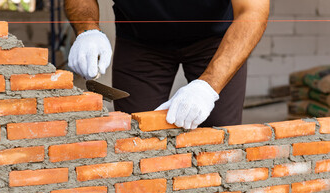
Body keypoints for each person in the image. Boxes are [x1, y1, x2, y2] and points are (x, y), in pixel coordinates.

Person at [65, 0, 269, 129]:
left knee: (221, 133)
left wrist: (208, 87)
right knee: (136, 133)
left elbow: (253, 11)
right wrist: (88, 30)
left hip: (214, 41)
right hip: (140, 40)